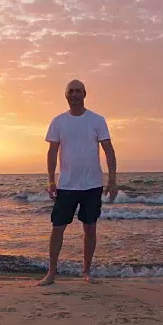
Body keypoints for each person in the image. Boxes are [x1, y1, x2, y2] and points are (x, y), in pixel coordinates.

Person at [38, 79, 118, 286]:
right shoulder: (58, 121)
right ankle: (51, 273)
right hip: (66, 185)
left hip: (92, 185)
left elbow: (108, 150)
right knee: (57, 228)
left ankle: (86, 271)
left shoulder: (97, 120)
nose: (74, 94)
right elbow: (52, 152)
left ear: (85, 94)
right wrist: (50, 180)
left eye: (78, 91)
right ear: (66, 95)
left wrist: (113, 180)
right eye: (70, 91)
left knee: (90, 228)